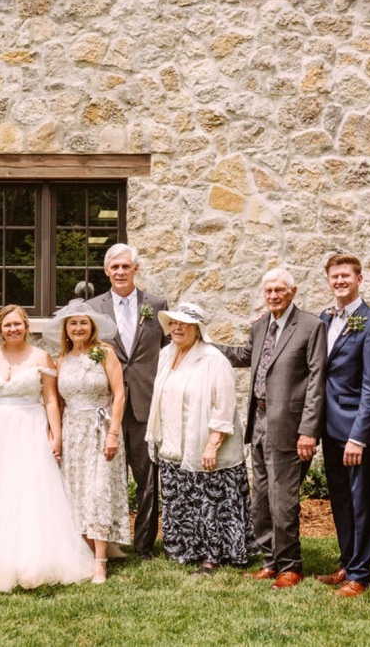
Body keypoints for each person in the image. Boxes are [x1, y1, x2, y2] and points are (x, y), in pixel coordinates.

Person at [0, 305, 94, 591]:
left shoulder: (40, 356)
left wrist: (55, 435)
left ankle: (35, 554)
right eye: (7, 325)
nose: (13, 329)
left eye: (18, 324)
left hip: (31, 428)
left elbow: (50, 400)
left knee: (31, 489)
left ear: (26, 326)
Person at [215, 268, 326, 589]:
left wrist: (309, 430)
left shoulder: (310, 326)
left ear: (293, 292)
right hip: (259, 421)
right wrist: (203, 343)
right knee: (261, 497)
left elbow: (317, 380)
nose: (273, 295)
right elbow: (244, 356)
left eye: (280, 290)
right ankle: (269, 560)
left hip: (291, 427)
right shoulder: (260, 325)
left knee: (284, 499)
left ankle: (290, 566)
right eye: (268, 290)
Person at [146, 303, 256, 575]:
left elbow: (225, 406)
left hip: (206, 447)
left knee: (211, 502)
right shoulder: (165, 355)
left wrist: (212, 444)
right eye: (173, 323)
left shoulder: (213, 359)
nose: (177, 328)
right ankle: (186, 549)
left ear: (198, 329)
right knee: (182, 499)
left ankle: (213, 556)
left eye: (184, 324)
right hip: (173, 446)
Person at [86, 244, 168, 560]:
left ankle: (144, 545)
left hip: (145, 405)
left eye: (126, 266)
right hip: (106, 407)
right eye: (114, 267)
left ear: (136, 269)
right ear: (106, 271)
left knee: (147, 480)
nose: (120, 272)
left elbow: (167, 349)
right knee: (106, 479)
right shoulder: (93, 307)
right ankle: (107, 542)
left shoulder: (157, 305)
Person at [316, 254, 370, 597]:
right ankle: (347, 562)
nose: (340, 281)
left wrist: (359, 437)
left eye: (346, 275)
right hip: (328, 428)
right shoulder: (325, 317)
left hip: (355, 432)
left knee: (361, 501)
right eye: (334, 276)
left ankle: (361, 572)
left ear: (360, 279)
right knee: (341, 499)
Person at [46, 300, 129, 584]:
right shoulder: (62, 358)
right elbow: (55, 401)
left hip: (99, 430)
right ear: (65, 329)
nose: (78, 327)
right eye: (73, 323)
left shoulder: (104, 353)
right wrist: (54, 437)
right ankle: (83, 551)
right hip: (72, 432)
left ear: (91, 327)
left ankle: (100, 563)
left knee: (97, 492)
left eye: (83, 322)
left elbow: (118, 394)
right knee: (76, 493)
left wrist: (113, 433)